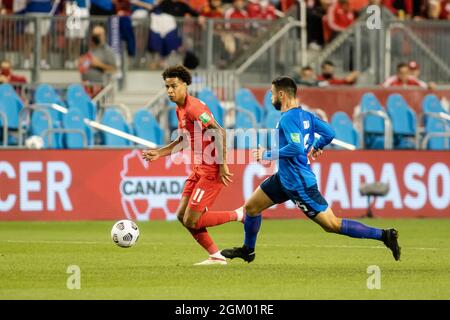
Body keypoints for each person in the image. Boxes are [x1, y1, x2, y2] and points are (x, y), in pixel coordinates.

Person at [220, 76, 401, 263]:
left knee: (332, 224)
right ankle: (247, 250)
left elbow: (296, 148)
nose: (271, 98)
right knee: (251, 207)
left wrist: (267, 155)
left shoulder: (288, 118)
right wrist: (317, 144)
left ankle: (385, 235)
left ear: (281, 94)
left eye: (272, 94)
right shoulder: (305, 115)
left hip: (299, 184)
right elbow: (329, 133)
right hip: (284, 178)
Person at [142, 65, 243, 265]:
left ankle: (240, 214)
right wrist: (159, 153)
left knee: (191, 220)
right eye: (167, 87)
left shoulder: (194, 107)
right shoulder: (180, 109)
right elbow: (184, 140)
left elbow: (219, 131)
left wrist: (222, 165)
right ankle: (216, 256)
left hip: (211, 169)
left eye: (174, 86)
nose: (170, 91)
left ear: (185, 85)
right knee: (182, 215)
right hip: (199, 168)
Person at [79, 25, 118, 95]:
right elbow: (83, 65)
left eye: (99, 35)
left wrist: (99, 64)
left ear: (103, 36)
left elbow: (114, 69)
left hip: (100, 87)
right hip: (86, 86)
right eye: (95, 35)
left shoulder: (108, 51)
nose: (96, 37)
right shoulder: (89, 49)